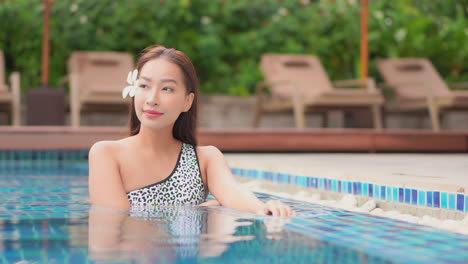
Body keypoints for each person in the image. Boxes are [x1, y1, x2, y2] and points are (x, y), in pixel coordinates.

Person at [88, 45, 295, 217]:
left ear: (187, 101)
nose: (152, 98)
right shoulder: (106, 154)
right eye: (144, 86)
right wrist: (198, 210)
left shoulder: (205, 158)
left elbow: (232, 191)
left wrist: (263, 208)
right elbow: (114, 227)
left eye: (167, 88)